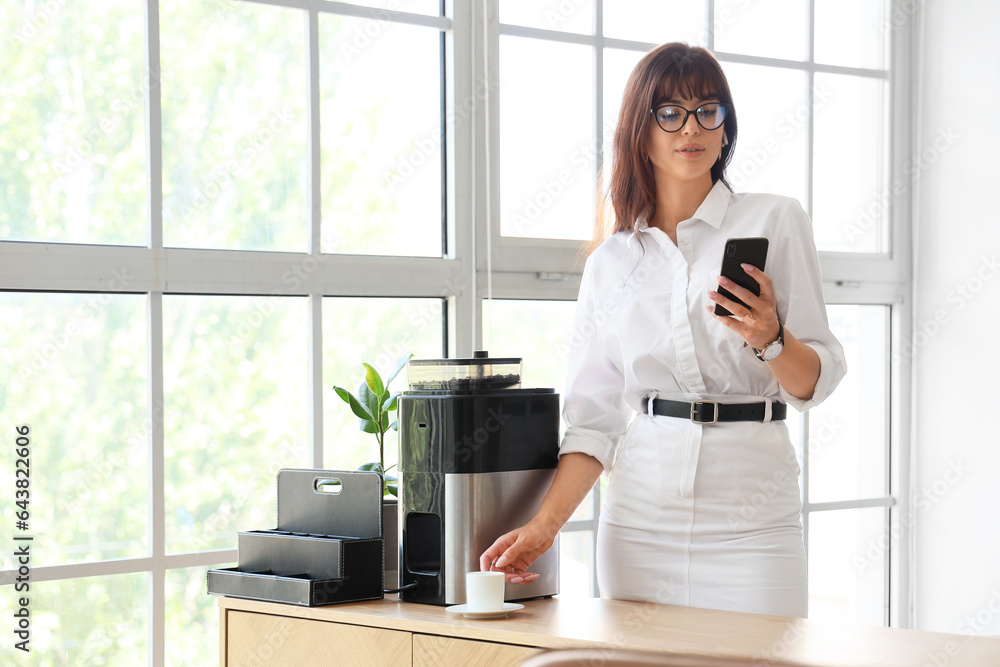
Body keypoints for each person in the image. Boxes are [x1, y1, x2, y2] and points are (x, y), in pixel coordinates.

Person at [479, 42, 847, 618]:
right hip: (640, 525)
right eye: (669, 112)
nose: (691, 127)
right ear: (640, 131)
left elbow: (815, 383)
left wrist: (771, 338)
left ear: (726, 126)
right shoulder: (612, 262)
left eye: (708, 109)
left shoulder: (775, 220)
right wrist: (544, 527)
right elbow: (594, 422)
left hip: (753, 523)